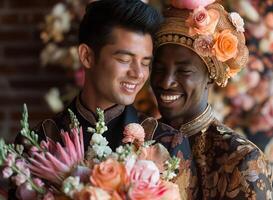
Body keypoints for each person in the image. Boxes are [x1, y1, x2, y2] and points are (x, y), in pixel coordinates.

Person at [15, 0, 191, 162]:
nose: (138, 74)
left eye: (145, 63)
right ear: (87, 56)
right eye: (124, 59)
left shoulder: (166, 143)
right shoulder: (39, 141)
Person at [151, 1, 273, 199]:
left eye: (183, 71)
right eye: (158, 69)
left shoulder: (242, 159)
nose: (166, 82)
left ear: (209, 76)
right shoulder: (138, 139)